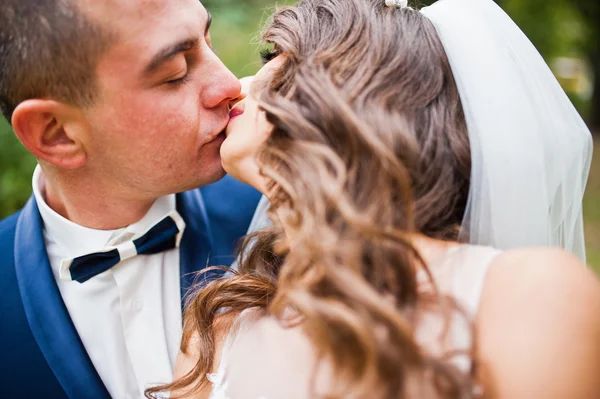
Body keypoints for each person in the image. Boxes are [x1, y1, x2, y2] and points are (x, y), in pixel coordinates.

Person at [150, 0, 600, 398]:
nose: (239, 84)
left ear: (344, 91)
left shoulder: (528, 293)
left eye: (276, 59)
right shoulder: (217, 329)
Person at [0, 0, 261, 397]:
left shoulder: (275, 210)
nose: (230, 83)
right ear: (56, 133)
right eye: (175, 73)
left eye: (207, 41)